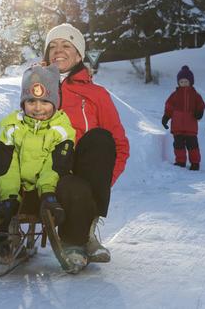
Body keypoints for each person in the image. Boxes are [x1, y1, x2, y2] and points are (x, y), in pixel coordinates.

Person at [0, 64, 76, 267]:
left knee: (66, 184)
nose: (38, 107)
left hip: (46, 194)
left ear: (55, 103)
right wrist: (9, 198)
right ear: (23, 102)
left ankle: (76, 241)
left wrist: (48, 193)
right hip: (15, 191)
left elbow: (54, 166)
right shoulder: (12, 127)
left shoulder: (62, 131)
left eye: (45, 101)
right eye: (31, 100)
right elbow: (7, 165)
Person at [42, 23, 129, 264]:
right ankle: (75, 241)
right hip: (50, 169)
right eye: (53, 46)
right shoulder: (37, 90)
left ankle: (85, 234)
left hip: (85, 171)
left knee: (100, 139)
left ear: (79, 54)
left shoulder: (97, 94)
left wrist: (102, 183)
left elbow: (119, 145)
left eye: (66, 45)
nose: (58, 50)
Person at [161, 65, 205, 171]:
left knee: (192, 145)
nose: (184, 84)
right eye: (181, 82)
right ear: (178, 83)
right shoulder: (175, 95)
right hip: (177, 126)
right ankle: (180, 161)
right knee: (178, 145)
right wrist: (166, 117)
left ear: (191, 82)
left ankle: (195, 163)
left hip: (190, 126)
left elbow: (201, 105)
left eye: (186, 81)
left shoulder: (195, 95)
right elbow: (169, 107)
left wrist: (199, 113)